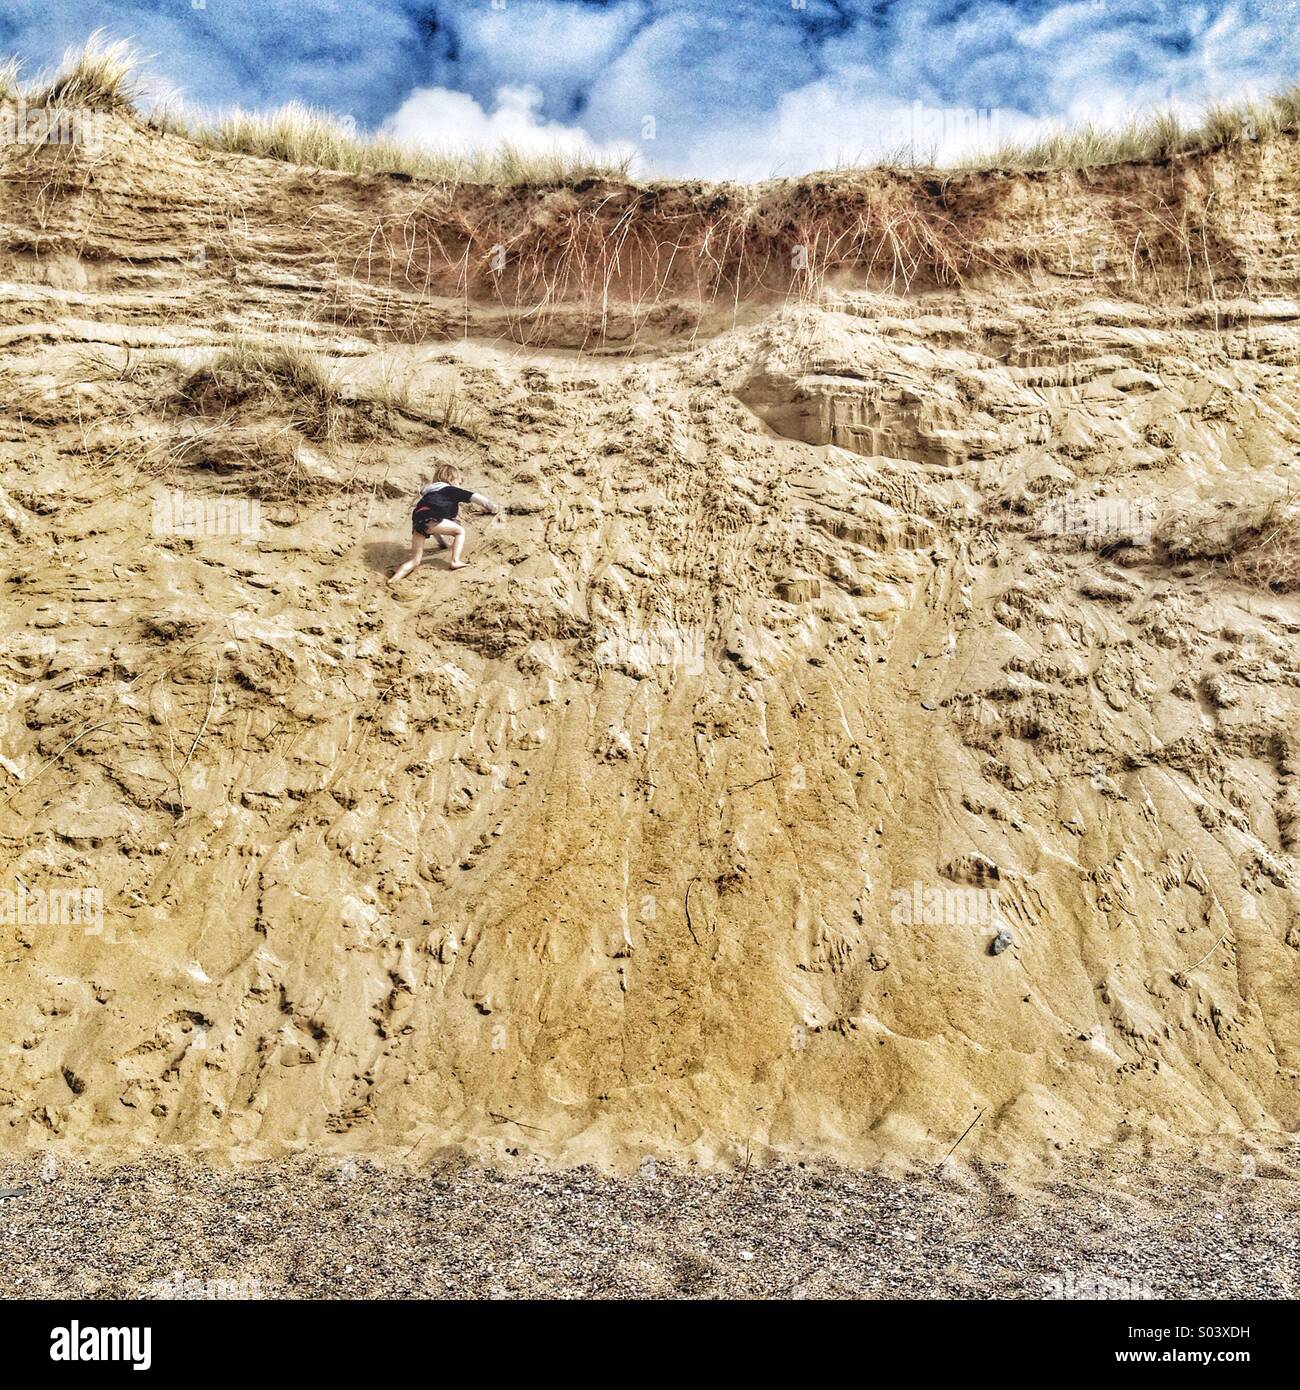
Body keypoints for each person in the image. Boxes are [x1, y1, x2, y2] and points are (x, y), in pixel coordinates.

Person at [390, 463, 500, 581]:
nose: (459, 485)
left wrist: (442, 544)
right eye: (458, 481)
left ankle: (393, 580)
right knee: (460, 531)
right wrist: (492, 507)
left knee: (415, 560)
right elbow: (474, 496)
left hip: (418, 520)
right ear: (451, 479)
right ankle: (455, 561)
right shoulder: (449, 490)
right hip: (431, 517)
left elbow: (433, 528)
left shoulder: (429, 495)